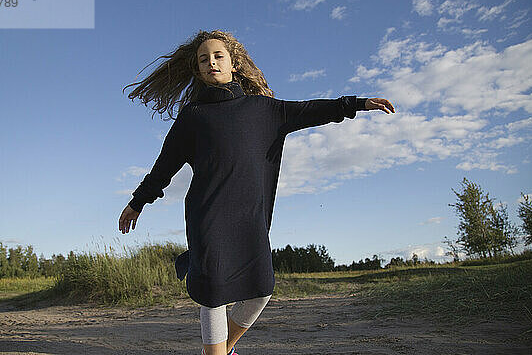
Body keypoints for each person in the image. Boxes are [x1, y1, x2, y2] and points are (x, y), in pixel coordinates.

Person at [118, 30, 395, 355]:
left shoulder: (263, 110)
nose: (211, 63)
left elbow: (309, 110)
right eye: (204, 59)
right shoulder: (192, 118)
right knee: (213, 293)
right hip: (208, 218)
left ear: (233, 63)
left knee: (262, 289)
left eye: (218, 56)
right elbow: (163, 168)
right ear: (198, 70)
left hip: (249, 218)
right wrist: (137, 202)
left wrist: (357, 103)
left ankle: (222, 350)